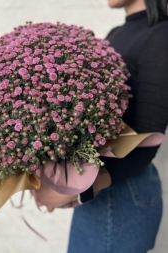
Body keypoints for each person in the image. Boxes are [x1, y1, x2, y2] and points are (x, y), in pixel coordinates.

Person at [34, 0, 168, 252]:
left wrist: (75, 191)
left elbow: (148, 137)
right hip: (99, 191)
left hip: (122, 191)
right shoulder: (116, 34)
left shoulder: (162, 34)